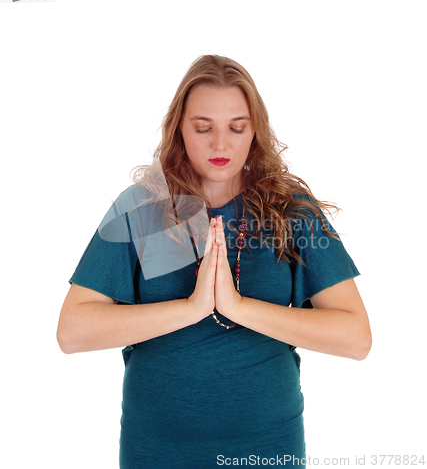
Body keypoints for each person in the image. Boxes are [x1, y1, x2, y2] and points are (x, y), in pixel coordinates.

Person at [57, 55, 372, 469]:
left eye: (236, 128)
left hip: (267, 447)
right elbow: (73, 332)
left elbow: (355, 338)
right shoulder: (141, 208)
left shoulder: (292, 211)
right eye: (203, 128)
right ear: (179, 130)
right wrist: (191, 308)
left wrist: (238, 307)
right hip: (156, 447)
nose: (220, 144)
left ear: (254, 131)